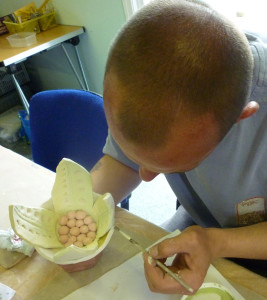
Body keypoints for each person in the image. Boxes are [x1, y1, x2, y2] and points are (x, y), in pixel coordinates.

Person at [65, 0, 267, 295]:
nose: (145, 177)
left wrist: (216, 243)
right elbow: (124, 162)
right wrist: (84, 209)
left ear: (241, 117)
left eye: (175, 165)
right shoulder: (145, 81)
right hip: (202, 220)